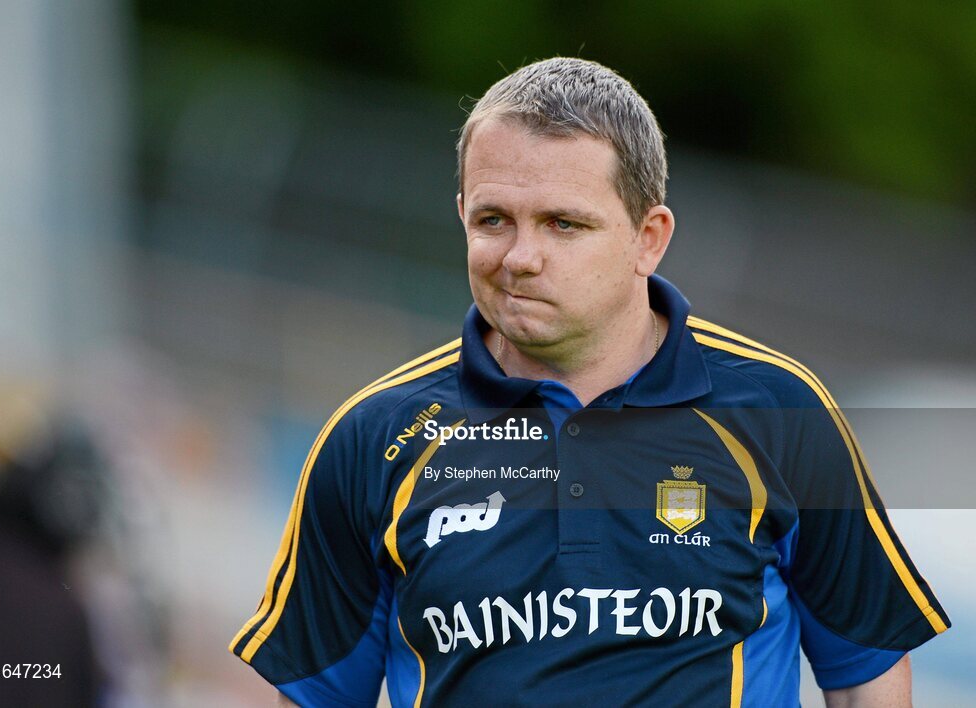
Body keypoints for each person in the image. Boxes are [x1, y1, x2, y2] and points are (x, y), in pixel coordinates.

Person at [229, 58, 949, 706]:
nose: (520, 256)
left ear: (649, 238)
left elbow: (867, 678)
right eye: (493, 220)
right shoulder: (375, 438)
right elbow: (313, 697)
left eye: (563, 224)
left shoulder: (779, 410)